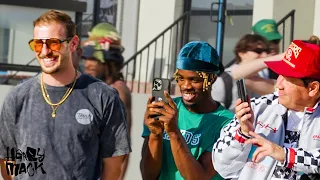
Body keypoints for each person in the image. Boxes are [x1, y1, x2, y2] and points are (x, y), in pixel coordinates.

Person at [0, 10, 131, 180]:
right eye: (38, 44)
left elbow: (113, 166)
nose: (45, 51)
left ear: (73, 44)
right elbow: (8, 158)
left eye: (53, 43)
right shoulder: (17, 97)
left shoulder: (103, 97)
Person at [212, 39, 320, 180]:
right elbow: (222, 165)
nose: (279, 84)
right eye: (279, 75)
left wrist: (284, 154)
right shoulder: (257, 107)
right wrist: (242, 133)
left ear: (313, 88)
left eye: (288, 78)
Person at [140, 41, 234, 180]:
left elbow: (198, 178)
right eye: (181, 78)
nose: (185, 86)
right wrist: (155, 136)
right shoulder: (165, 110)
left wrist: (173, 132)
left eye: (194, 80)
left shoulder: (228, 124)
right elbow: (148, 176)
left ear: (212, 79)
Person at [82, 22, 132, 180]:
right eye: (86, 58)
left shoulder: (118, 91)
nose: (87, 64)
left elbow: (120, 151)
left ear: (109, 62)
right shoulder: (97, 88)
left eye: (94, 59)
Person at [211, 34, 270, 112]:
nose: (265, 55)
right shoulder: (225, 79)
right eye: (258, 51)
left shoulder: (264, 76)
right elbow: (214, 114)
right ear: (242, 53)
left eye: (267, 51)